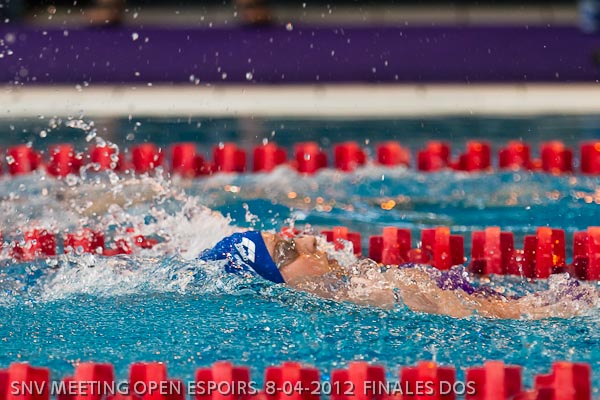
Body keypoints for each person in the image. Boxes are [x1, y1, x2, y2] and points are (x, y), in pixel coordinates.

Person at [198, 230, 598, 319]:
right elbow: (538, 315)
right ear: (276, 284)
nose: (307, 239)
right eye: (287, 250)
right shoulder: (381, 295)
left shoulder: (367, 286)